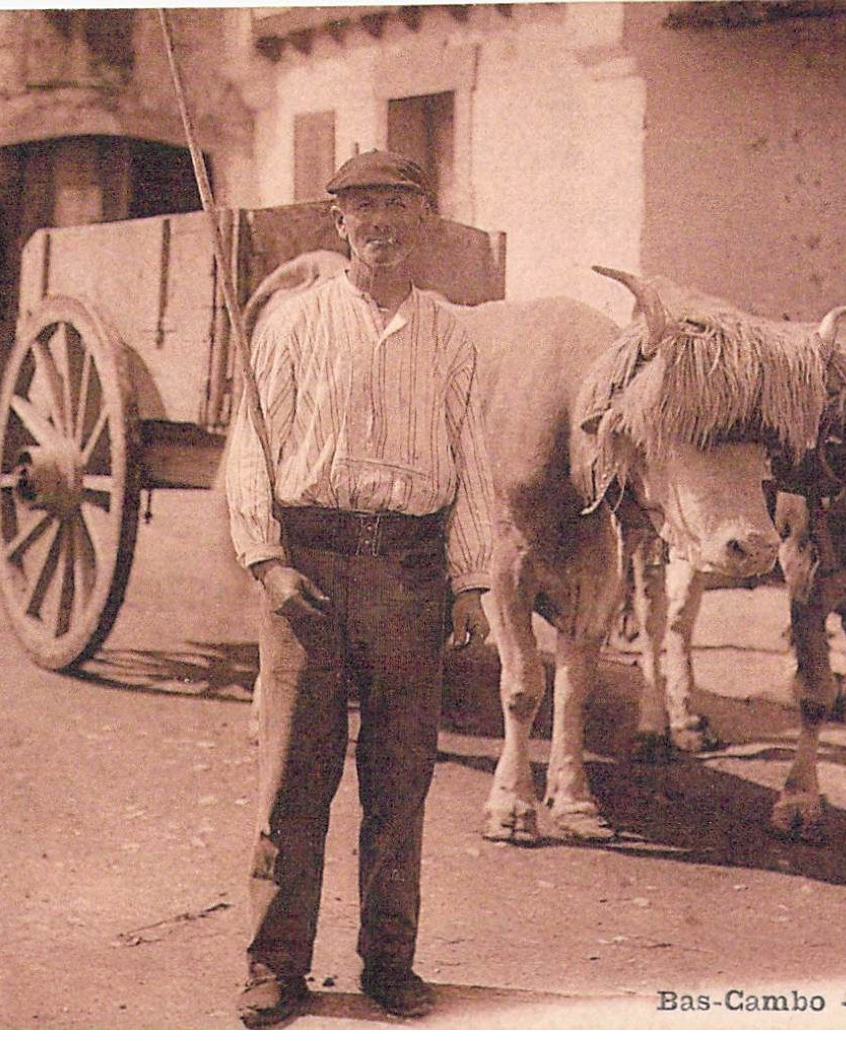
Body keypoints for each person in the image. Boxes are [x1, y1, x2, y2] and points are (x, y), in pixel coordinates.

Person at [225, 149, 495, 1028]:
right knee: (295, 777)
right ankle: (274, 966)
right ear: (337, 224)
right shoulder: (294, 324)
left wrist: (468, 582)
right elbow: (253, 452)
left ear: (424, 221)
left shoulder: (452, 333)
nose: (379, 223)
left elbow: (471, 462)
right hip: (314, 567)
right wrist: (269, 563)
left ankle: (390, 962)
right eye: (362, 208)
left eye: (396, 206)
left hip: (411, 573)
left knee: (399, 778)